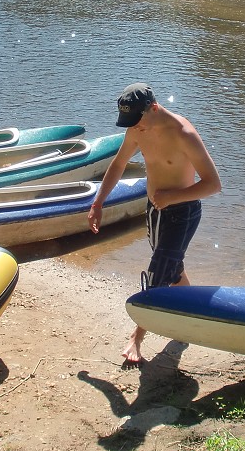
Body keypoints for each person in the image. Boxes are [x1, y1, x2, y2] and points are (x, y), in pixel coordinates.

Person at [88, 83, 222, 366]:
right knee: (173, 271)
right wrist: (98, 203)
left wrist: (173, 196)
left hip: (182, 213)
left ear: (154, 108)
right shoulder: (136, 128)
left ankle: (136, 337)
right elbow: (119, 163)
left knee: (158, 271)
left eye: (137, 121)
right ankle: (194, 315)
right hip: (155, 211)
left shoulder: (184, 134)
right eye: (129, 123)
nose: (135, 128)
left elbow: (213, 184)